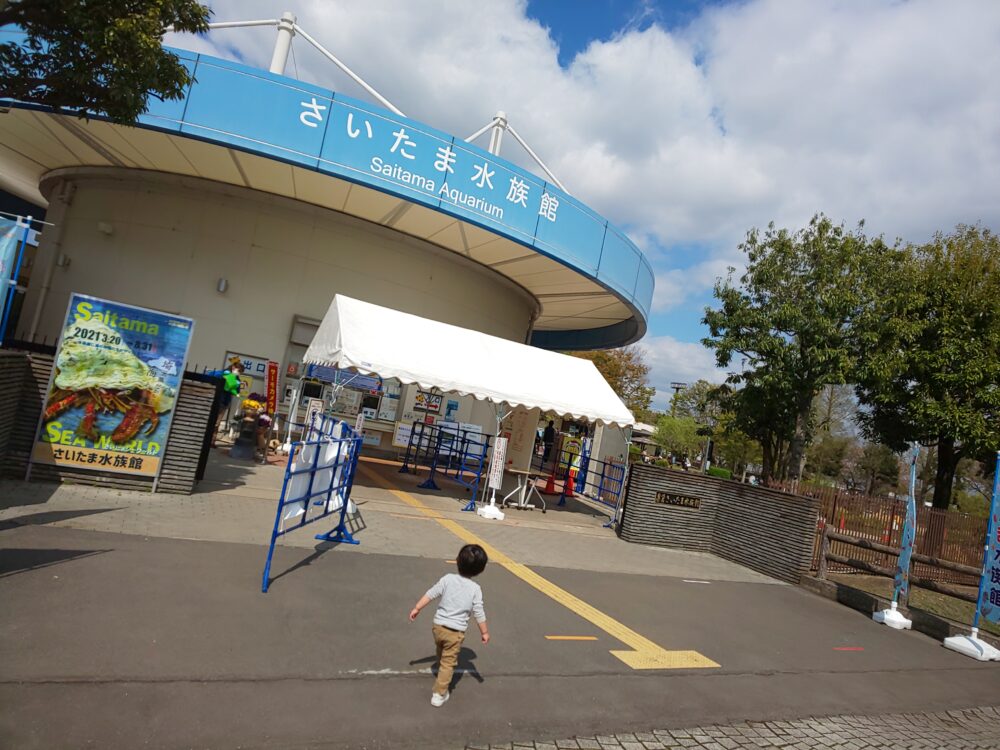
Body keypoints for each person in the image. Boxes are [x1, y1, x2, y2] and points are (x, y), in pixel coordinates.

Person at [409, 544, 490, 707]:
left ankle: (440, 668)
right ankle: (439, 694)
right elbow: (478, 612)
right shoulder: (475, 589)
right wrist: (485, 632)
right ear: (480, 570)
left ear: (457, 560)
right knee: (448, 663)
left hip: (438, 627)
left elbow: (431, 593)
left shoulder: (447, 579)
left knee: (441, 650)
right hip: (455, 632)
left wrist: (417, 607)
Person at [209, 360, 243, 446]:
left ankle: (212, 441)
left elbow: (237, 390)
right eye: (239, 371)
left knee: (217, 423)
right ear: (233, 368)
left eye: (241, 372)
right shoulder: (224, 373)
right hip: (215, 399)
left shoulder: (237, 379)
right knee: (209, 420)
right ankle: (204, 439)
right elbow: (212, 377)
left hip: (225, 402)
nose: (239, 373)